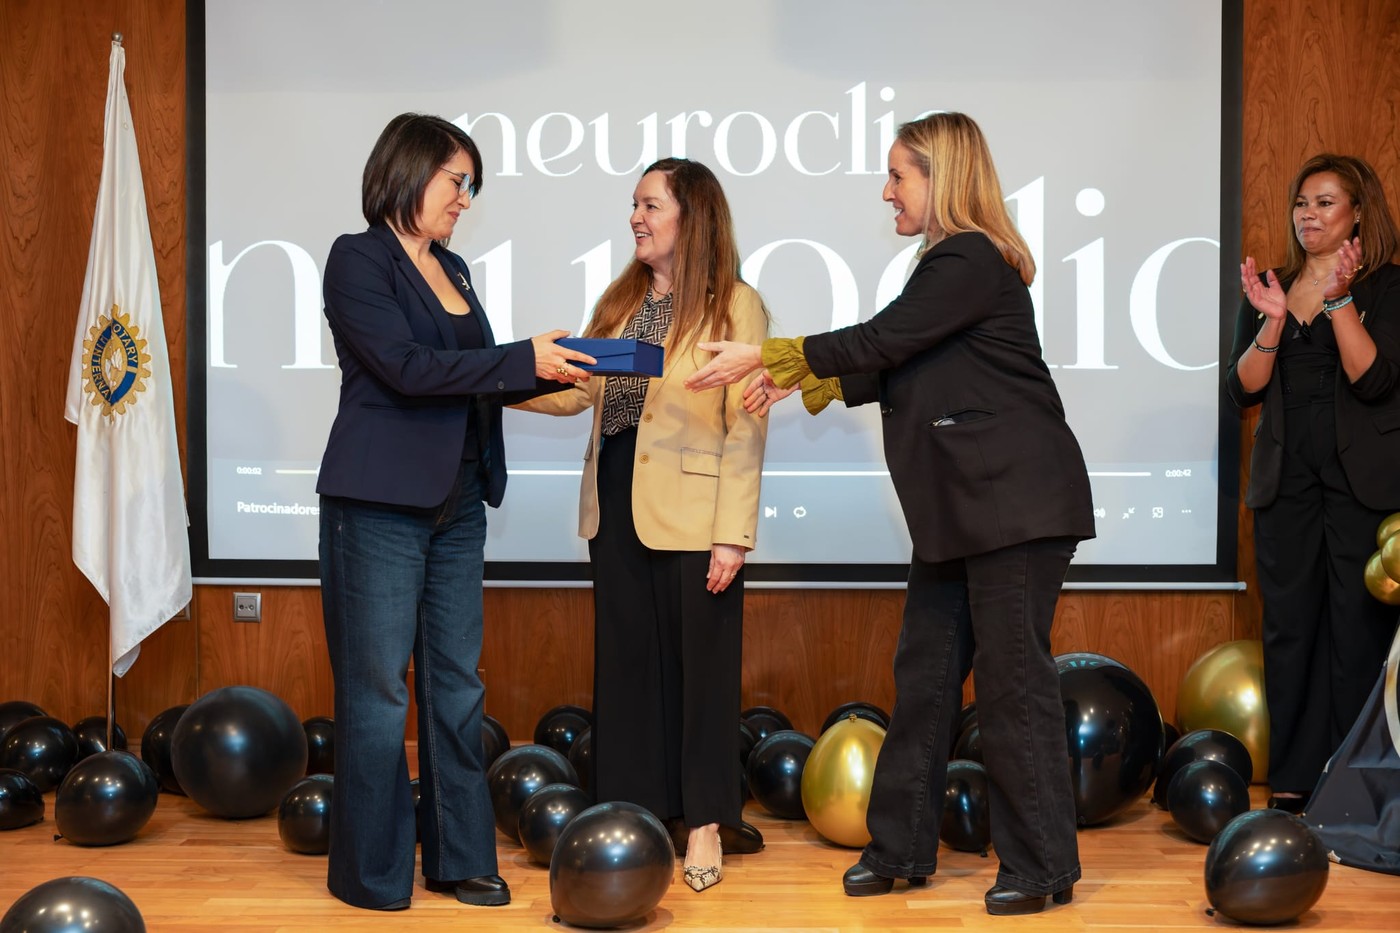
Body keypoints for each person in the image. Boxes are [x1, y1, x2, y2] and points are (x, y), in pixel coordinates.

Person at [685, 112, 1094, 915]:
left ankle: (1044, 863)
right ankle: (900, 846)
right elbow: (900, 360)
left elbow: (885, 337)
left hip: (1013, 504)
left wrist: (769, 355)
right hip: (960, 509)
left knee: (1012, 688)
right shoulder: (945, 266)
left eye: (899, 175)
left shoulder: (970, 257)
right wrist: (804, 381)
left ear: (942, 177)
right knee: (927, 677)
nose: (887, 190)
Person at [316, 112, 594, 911]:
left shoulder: (457, 267)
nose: (465, 199)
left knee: (455, 686)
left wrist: (554, 375)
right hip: (378, 504)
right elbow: (406, 368)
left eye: (471, 186)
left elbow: (467, 373)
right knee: (377, 694)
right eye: (456, 181)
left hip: (459, 500)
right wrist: (518, 359)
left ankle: (460, 856)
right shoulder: (357, 258)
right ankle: (371, 874)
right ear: (407, 171)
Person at [514, 157, 769, 893]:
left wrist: (734, 532)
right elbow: (578, 394)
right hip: (615, 501)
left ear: (692, 216)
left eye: (651, 204)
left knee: (703, 671)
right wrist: (494, 381)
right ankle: (634, 811)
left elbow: (746, 427)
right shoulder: (620, 299)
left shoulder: (736, 307)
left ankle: (706, 821)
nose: (636, 216)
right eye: (634, 204)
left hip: (696, 514)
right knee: (626, 669)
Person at [1226, 153, 1400, 813]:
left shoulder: (1386, 287)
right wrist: (1271, 321)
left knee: (1357, 631)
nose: (1309, 214)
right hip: (1285, 485)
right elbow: (1241, 390)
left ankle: (1352, 780)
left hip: (1362, 487)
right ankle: (1295, 778)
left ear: (1358, 212)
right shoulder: (1270, 283)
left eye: (1325, 202)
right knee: (1290, 628)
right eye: (1302, 202)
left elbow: (1374, 379)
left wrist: (1339, 300)